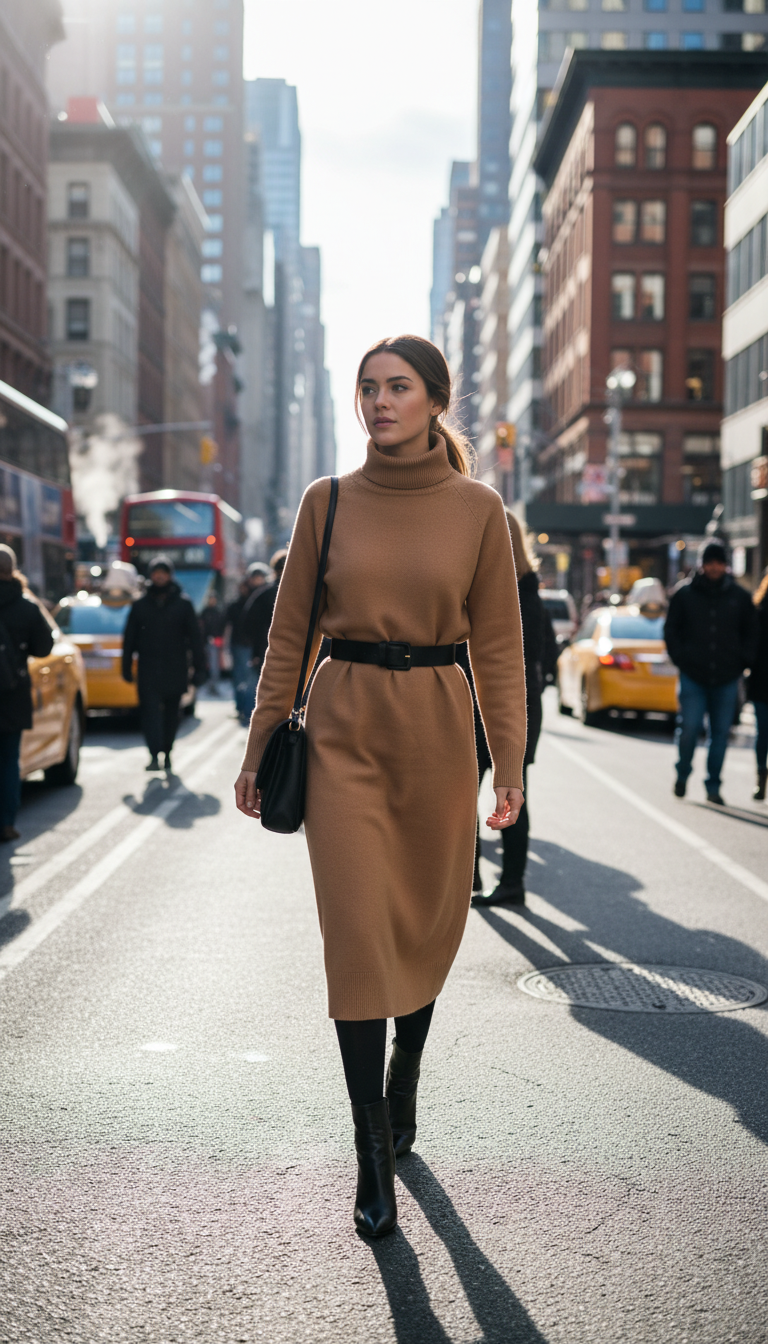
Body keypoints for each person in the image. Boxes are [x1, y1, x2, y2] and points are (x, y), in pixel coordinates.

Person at [234, 334, 527, 1239]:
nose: (379, 402)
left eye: (398, 387)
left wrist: (509, 764)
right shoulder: (325, 502)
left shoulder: (479, 510)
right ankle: (371, 1151)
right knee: (359, 935)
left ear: (436, 400)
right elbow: (289, 638)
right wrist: (257, 749)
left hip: (438, 730)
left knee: (427, 917)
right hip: (344, 734)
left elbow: (500, 649)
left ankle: (407, 1070)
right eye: (368, 388)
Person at [472, 510, 556, 906]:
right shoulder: (532, 592)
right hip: (523, 704)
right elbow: (544, 652)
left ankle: (472, 876)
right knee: (513, 791)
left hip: (484, 701)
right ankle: (511, 882)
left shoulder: (489, 588)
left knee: (463, 794)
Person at [664, 539, 757, 805]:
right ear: (702, 564)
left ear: (725, 565)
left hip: (727, 676)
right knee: (689, 728)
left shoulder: (740, 597)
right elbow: (671, 630)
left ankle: (713, 786)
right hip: (693, 675)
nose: (714, 567)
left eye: (719, 562)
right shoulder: (684, 594)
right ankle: (682, 774)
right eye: (710, 562)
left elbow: (752, 633)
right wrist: (681, 658)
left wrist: (742, 662)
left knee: (720, 734)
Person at [122, 556, 206, 773]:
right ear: (151, 576)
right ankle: (153, 755)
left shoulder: (183, 604)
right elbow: (129, 638)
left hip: (175, 668)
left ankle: (167, 752)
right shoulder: (140, 605)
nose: (159, 577)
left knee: (171, 715)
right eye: (156, 572)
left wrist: (200, 668)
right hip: (148, 669)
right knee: (149, 714)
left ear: (170, 576)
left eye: (163, 572)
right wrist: (126, 666)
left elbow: (195, 639)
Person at [0, 544, 54, 841]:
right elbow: (44, 648)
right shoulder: (27, 607)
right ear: (13, 571)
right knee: (9, 759)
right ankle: (6, 822)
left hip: (12, 692)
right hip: (13, 692)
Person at [226, 565, 270, 726]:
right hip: (243, 644)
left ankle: (248, 712)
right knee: (244, 678)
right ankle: (245, 711)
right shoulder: (245, 599)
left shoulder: (265, 594)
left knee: (251, 679)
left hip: (257, 644)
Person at [244, 548, 288, 685]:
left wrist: (255, 652)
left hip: (268, 651)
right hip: (296, 653)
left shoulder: (263, 594)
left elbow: (249, 623)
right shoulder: (305, 594)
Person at [747, 567, 768, 801]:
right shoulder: (759, 609)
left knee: (763, 733)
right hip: (762, 681)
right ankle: (761, 776)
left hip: (760, 679)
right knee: (763, 733)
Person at [200, 590, 226, 694]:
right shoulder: (204, 612)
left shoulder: (218, 612)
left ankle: (213, 686)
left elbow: (221, 627)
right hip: (205, 642)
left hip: (215, 642)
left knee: (214, 666)